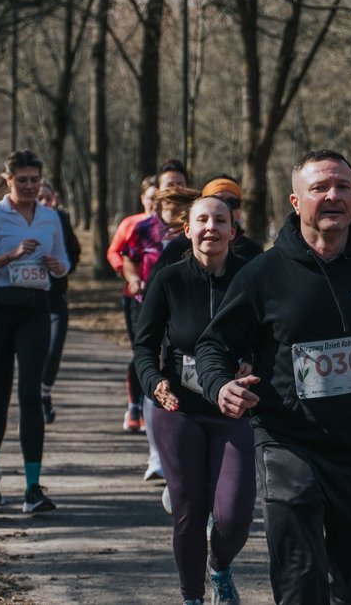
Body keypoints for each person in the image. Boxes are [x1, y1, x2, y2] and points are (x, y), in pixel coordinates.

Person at [195, 149, 351, 604]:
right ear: (295, 202)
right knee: (301, 578)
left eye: (343, 187)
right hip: (288, 442)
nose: (333, 196)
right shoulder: (263, 274)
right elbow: (215, 344)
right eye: (320, 188)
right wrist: (220, 386)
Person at [133, 196, 254, 605]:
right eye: (202, 220)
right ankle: (192, 597)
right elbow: (144, 346)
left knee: (234, 516)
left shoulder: (250, 279)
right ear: (187, 229)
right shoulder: (168, 280)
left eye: (220, 221)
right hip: (179, 408)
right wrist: (154, 383)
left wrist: (253, 361)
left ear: (232, 231)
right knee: (189, 508)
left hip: (232, 409)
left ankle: (219, 567)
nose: (211, 228)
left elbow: (274, 336)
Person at [0, 149, 69, 512]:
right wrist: (8, 256)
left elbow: (64, 262)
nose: (28, 186)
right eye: (21, 180)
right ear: (8, 180)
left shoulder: (50, 217)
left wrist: (57, 266)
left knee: (31, 396)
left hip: (35, 308)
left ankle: (33, 487)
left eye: (34, 180)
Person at [122, 185, 200, 481]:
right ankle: (159, 456)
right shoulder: (145, 229)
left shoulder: (234, 246)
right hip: (152, 308)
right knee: (159, 374)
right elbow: (124, 256)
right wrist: (132, 279)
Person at [108, 176, 158, 433]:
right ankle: (135, 406)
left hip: (162, 298)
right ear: (143, 199)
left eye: (159, 199)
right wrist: (128, 274)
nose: (155, 204)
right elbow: (114, 252)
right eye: (151, 198)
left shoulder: (172, 226)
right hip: (135, 296)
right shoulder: (133, 225)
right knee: (141, 351)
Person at [150, 175, 262, 280]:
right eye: (216, 200)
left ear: (239, 210)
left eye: (232, 202)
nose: (223, 207)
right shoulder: (176, 250)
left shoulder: (254, 255)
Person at [37, 181, 81, 424]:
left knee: (53, 351)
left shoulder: (61, 220)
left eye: (48, 198)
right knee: (33, 354)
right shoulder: (24, 221)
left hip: (55, 299)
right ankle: (32, 398)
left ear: (54, 198)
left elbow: (74, 253)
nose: (44, 203)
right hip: (29, 301)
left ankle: (44, 392)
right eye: (39, 198)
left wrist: (63, 266)